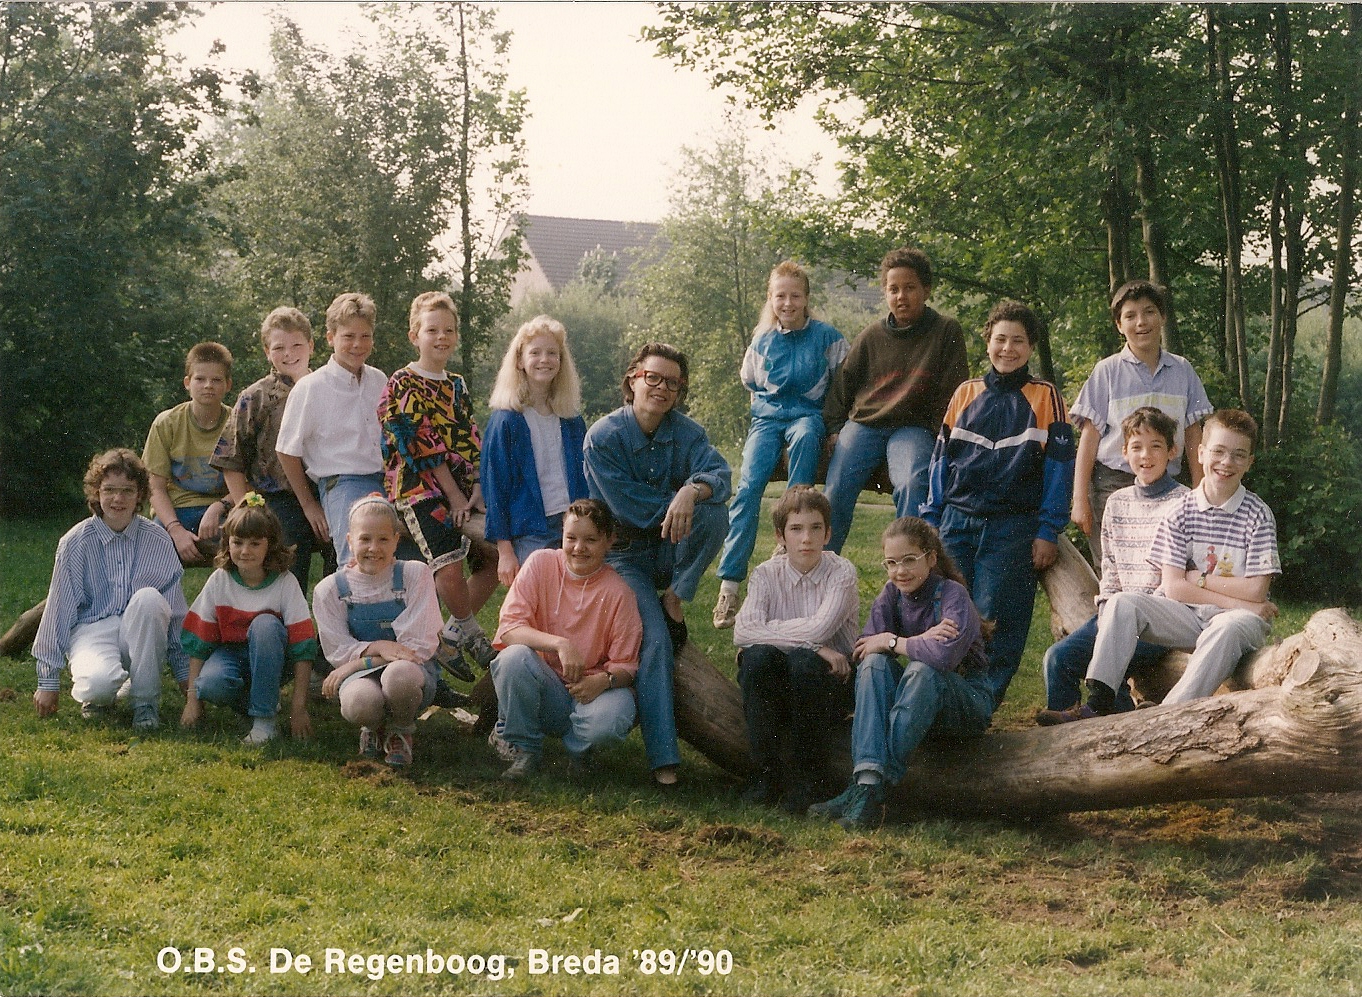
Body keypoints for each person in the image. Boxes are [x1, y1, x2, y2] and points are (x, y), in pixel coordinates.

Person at [1042, 409, 1279, 719]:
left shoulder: (1257, 514)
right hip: (1189, 615)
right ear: (1201, 452)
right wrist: (1229, 595)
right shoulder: (1181, 510)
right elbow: (1174, 587)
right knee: (1124, 603)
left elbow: (1257, 589)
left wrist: (1200, 581)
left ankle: (1166, 715)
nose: (1226, 462)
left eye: (1238, 455)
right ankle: (1100, 701)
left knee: (1227, 626)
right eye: (1218, 451)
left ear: (1249, 462)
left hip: (1237, 620)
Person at [583, 342, 732, 786]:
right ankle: (664, 759)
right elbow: (631, 509)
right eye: (653, 378)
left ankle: (678, 596)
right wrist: (680, 500)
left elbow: (721, 478)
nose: (662, 388)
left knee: (714, 511)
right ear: (633, 379)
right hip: (625, 555)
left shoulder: (687, 432)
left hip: (672, 553)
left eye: (672, 383)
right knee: (656, 643)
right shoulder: (603, 437)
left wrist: (692, 490)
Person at [922, 299, 1075, 707]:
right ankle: (941, 702)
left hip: (1011, 527)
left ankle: (981, 706)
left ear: (1031, 347)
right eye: (1000, 339)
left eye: (1019, 341)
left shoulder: (1046, 397)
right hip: (956, 522)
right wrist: (932, 518)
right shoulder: (965, 393)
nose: (1008, 349)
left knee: (996, 618)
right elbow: (940, 459)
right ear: (987, 341)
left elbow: (1060, 470)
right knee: (949, 614)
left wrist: (1047, 530)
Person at [809, 517, 991, 830]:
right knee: (874, 666)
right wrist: (911, 642)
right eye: (891, 563)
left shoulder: (952, 596)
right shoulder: (891, 595)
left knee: (922, 670)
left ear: (931, 558)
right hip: (920, 702)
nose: (900, 571)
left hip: (966, 704)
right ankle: (867, 781)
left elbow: (942, 657)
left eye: (909, 560)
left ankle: (867, 791)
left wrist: (894, 641)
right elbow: (864, 649)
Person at [712, 261, 849, 628]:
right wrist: (767, 410)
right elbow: (751, 382)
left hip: (808, 415)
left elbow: (844, 382)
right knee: (748, 488)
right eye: (780, 296)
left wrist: (832, 424)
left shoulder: (827, 337)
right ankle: (729, 583)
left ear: (806, 299)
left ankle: (787, 538)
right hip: (768, 418)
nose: (787, 303)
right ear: (771, 299)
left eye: (795, 296)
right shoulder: (762, 340)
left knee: (806, 437)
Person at [1035, 408, 1188, 722]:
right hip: (1114, 615)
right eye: (1137, 447)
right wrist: (1106, 614)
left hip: (1158, 622)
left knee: (1109, 669)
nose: (1146, 455)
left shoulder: (1186, 504)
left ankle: (1117, 736)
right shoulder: (1117, 503)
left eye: (1156, 446)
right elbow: (1111, 570)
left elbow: (1184, 576)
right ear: (1124, 452)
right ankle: (1065, 748)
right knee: (1057, 659)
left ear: (1172, 451)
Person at [379, 291, 500, 679]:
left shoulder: (458, 385)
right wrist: (454, 496)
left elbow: (469, 436)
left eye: (449, 330)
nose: (442, 337)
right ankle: (475, 635)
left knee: (497, 557)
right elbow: (420, 445)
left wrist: (478, 484)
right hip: (419, 488)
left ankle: (450, 638)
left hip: (464, 486)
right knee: (447, 564)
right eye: (432, 330)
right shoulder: (403, 382)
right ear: (415, 335)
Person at [821, 247, 968, 554]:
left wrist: (938, 435)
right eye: (893, 289)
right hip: (865, 424)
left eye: (910, 288)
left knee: (913, 484)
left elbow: (954, 393)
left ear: (926, 290)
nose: (902, 296)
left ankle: (907, 567)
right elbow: (842, 385)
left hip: (913, 428)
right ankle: (822, 565)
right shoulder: (872, 335)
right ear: (885, 294)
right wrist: (835, 427)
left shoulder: (945, 331)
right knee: (835, 490)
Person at [32, 449, 189, 730]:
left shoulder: (159, 540)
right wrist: (48, 680)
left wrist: (185, 675)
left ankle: (145, 703)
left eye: (128, 490)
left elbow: (175, 613)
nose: (118, 499)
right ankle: (101, 695)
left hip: (141, 630)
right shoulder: (75, 542)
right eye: (110, 490)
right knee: (98, 687)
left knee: (149, 599)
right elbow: (58, 611)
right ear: (96, 492)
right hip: (92, 629)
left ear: (140, 494)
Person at [490, 499, 641, 781]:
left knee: (616, 712)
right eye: (571, 538)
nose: (578, 548)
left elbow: (627, 666)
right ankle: (526, 749)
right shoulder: (541, 563)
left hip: (590, 692)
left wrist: (604, 681)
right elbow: (509, 628)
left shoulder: (619, 593)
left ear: (609, 541)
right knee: (512, 658)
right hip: (545, 687)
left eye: (591, 540)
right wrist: (560, 644)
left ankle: (580, 754)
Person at [1070, 280, 1213, 570]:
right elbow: (1089, 437)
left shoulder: (1182, 370)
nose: (1141, 322)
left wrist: (1201, 490)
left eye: (1149, 312)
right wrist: (1080, 499)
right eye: (1130, 315)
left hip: (1166, 488)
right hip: (1112, 486)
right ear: (1119, 325)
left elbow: (1194, 433)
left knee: (1166, 567)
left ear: (1163, 317)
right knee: (1116, 568)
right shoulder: (1107, 371)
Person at [732, 486, 858, 813]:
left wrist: (808, 645)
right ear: (780, 535)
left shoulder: (841, 572)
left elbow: (820, 628)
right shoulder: (765, 574)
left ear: (828, 533)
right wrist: (817, 645)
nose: (806, 539)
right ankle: (767, 775)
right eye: (796, 529)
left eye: (816, 528)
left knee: (803, 661)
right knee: (757, 657)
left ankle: (810, 778)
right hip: (779, 682)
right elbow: (743, 630)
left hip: (832, 683)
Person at [313, 496, 443, 768]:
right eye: (365, 539)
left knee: (399, 676)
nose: (374, 548)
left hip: (412, 672)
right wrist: (377, 648)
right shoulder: (330, 590)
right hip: (360, 676)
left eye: (383, 539)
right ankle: (373, 727)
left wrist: (365, 658)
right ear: (349, 541)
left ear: (397, 540)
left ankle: (402, 729)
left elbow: (416, 649)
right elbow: (338, 651)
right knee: (359, 702)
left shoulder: (415, 575)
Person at [179, 494, 320, 743]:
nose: (245, 551)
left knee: (265, 624)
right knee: (210, 684)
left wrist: (298, 709)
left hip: (275, 656)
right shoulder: (220, 580)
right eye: (238, 542)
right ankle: (258, 701)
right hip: (231, 654)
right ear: (227, 543)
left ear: (271, 545)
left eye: (255, 544)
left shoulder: (284, 582)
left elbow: (302, 647)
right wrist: (193, 700)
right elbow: (198, 642)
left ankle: (264, 720)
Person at [211, 305, 330, 594]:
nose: (289, 354)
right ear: (267, 351)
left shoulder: (328, 387)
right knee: (289, 551)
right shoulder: (256, 397)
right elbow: (231, 459)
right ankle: (291, 622)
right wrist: (247, 509)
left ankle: (335, 630)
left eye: (297, 345)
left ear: (311, 346)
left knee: (344, 547)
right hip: (278, 497)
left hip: (327, 489)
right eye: (279, 348)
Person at [275, 292, 385, 568]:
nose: (358, 345)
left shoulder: (379, 380)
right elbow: (286, 451)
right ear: (330, 338)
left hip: (386, 481)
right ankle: (352, 610)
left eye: (365, 336)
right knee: (358, 561)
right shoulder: (312, 387)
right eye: (348, 336)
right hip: (343, 484)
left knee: (404, 559)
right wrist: (309, 505)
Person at [481, 314, 588, 588]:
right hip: (530, 529)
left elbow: (585, 476)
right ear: (519, 360)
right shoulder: (506, 420)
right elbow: (495, 487)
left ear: (561, 362)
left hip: (573, 522)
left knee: (580, 595)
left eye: (553, 353)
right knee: (539, 597)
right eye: (535, 352)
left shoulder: (571, 419)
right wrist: (505, 551)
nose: (545, 359)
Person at [143, 341, 234, 565]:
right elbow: (154, 486)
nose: (208, 386)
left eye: (216, 380)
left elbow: (250, 484)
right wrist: (175, 530)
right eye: (200, 379)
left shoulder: (237, 424)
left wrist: (219, 506)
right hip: (176, 512)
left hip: (224, 510)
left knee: (254, 541)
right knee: (148, 554)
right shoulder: (167, 423)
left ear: (228, 385)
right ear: (187, 382)